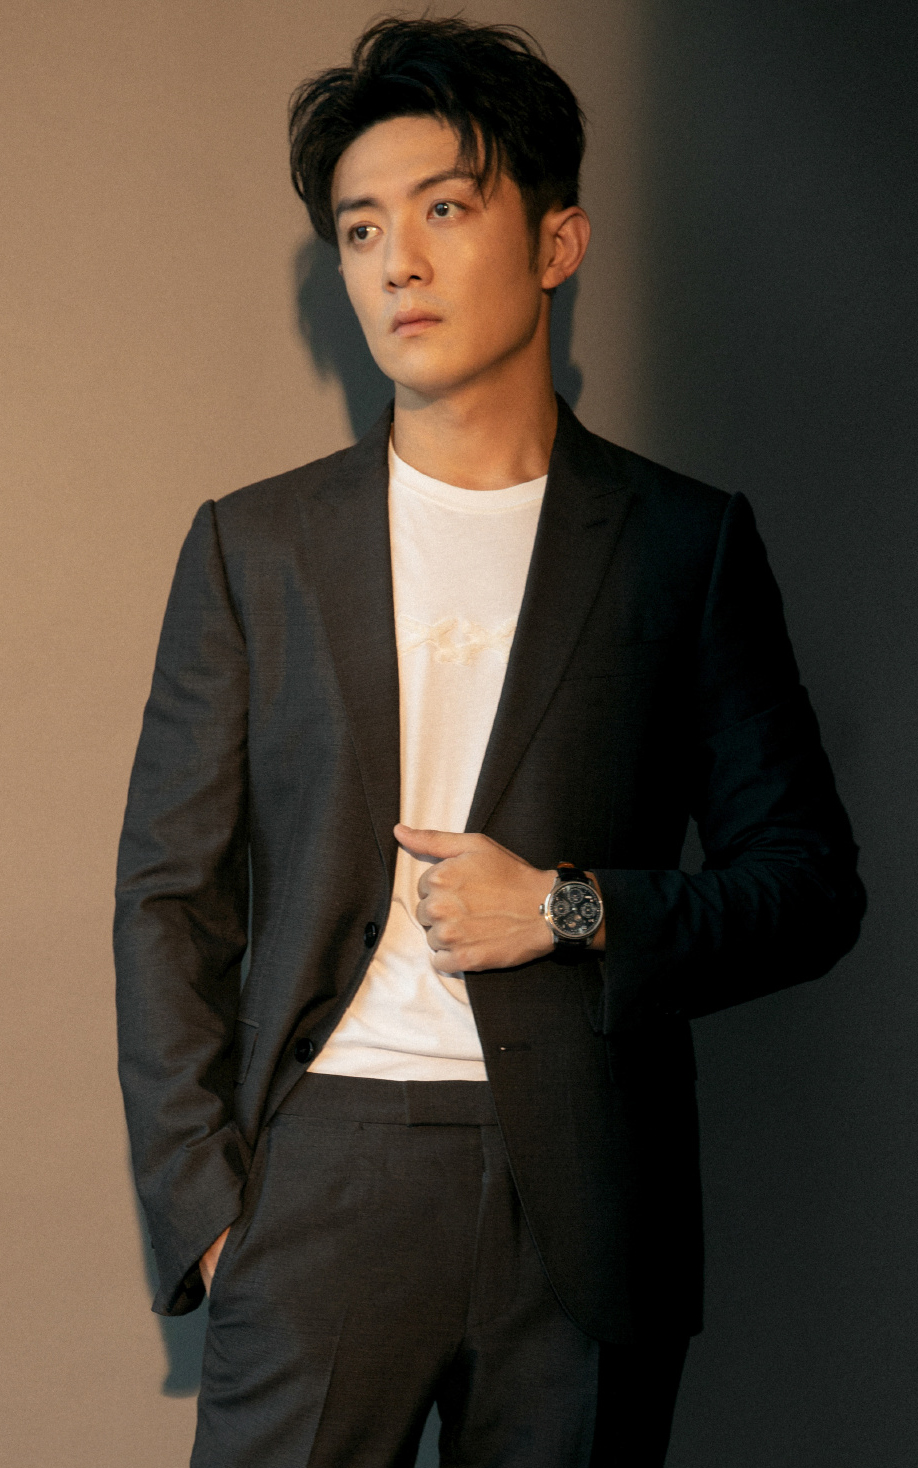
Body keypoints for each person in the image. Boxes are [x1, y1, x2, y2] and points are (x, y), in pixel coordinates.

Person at [114, 16, 865, 1467]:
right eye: (360, 229)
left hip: (588, 1197)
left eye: (445, 209)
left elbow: (808, 886)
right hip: (323, 1175)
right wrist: (207, 1207)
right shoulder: (253, 549)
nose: (396, 261)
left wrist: (571, 909)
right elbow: (168, 896)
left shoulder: (683, 546)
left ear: (556, 242)